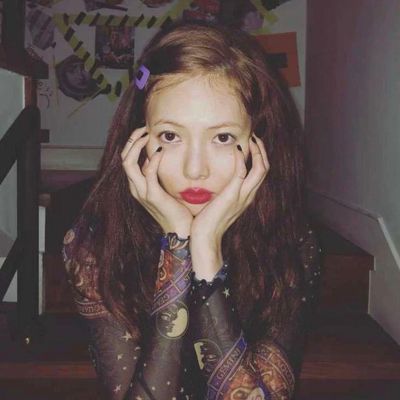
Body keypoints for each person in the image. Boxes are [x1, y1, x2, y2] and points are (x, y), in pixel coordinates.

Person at [62, 19, 322, 400]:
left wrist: (206, 253)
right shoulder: (93, 247)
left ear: (258, 141)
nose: (195, 169)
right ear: (138, 138)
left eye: (223, 137)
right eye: (170, 135)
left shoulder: (291, 242)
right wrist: (178, 248)